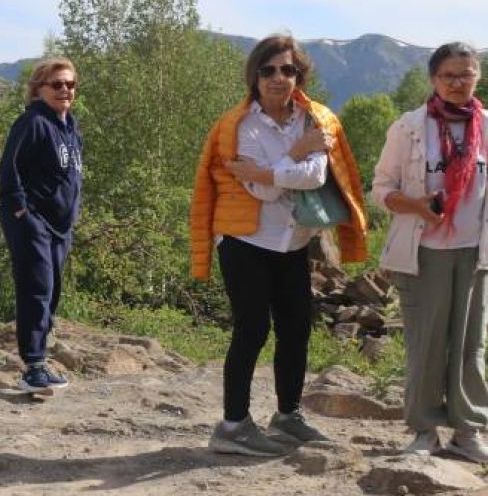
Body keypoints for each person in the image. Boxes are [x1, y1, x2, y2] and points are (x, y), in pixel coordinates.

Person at [190, 34, 367, 456]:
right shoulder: (239, 126)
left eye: (287, 69)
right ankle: (233, 425)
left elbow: (314, 177)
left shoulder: (315, 119)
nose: (278, 77)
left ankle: (288, 416)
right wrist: (298, 153)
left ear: (299, 76)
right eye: (268, 70)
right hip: (245, 240)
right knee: (252, 329)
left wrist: (272, 168)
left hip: (292, 241)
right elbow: (264, 192)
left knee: (296, 329)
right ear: (254, 76)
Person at [372, 41, 488, 462]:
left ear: (477, 76)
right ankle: (424, 430)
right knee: (426, 343)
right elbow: (381, 188)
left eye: (466, 74)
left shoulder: (486, 125)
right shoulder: (408, 127)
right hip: (422, 251)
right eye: (448, 76)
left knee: (470, 345)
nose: (457, 83)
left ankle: (467, 430)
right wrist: (416, 206)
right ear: (433, 79)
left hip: (475, 252)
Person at [0, 58, 84, 395]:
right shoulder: (32, 122)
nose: (65, 90)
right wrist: (22, 212)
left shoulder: (69, 126)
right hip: (33, 222)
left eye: (70, 84)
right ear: (38, 89)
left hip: (60, 226)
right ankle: (32, 367)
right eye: (57, 84)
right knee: (37, 289)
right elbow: (8, 170)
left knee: (51, 290)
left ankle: (40, 360)